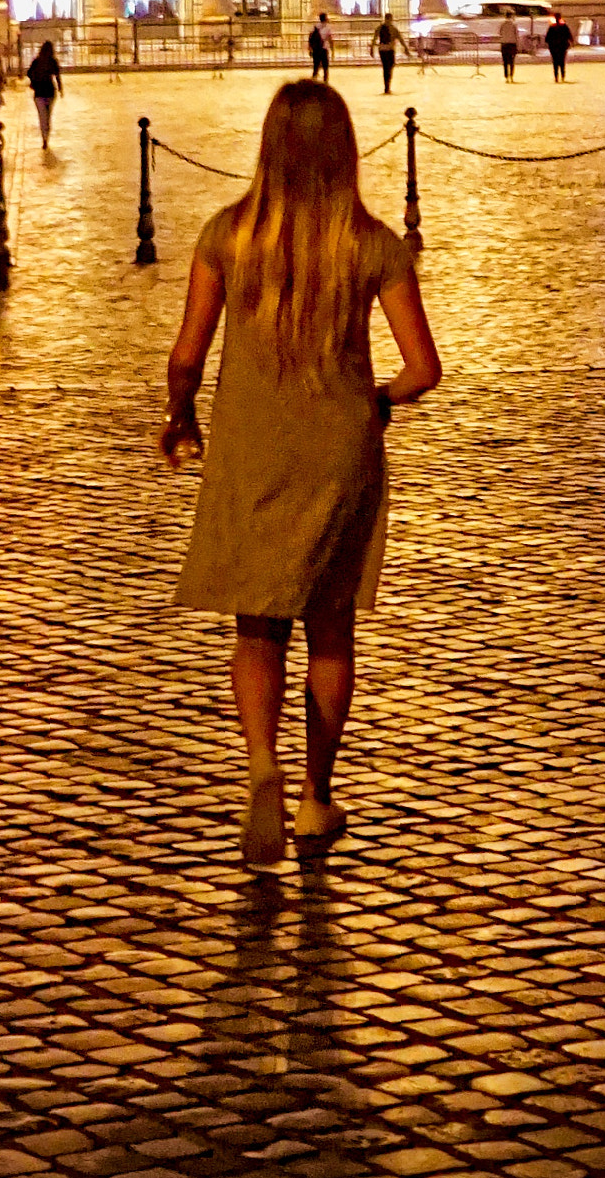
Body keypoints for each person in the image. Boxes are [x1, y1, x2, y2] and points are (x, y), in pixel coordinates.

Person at [160, 80, 441, 867]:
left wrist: (180, 413)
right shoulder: (374, 244)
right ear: (345, 151)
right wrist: (376, 401)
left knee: (256, 623)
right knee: (330, 624)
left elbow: (187, 353)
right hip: (340, 449)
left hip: (253, 445)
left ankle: (260, 767)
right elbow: (423, 368)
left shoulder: (227, 237)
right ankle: (317, 796)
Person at [26, 40, 63, 148]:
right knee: (48, 116)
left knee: (42, 117)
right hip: (50, 91)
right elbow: (57, 76)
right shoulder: (53, 61)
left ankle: (44, 138)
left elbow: (28, 73)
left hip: (39, 92)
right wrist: (61, 88)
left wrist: (34, 81)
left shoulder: (36, 61)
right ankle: (47, 135)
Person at [373, 14, 403, 94]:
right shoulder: (393, 28)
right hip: (389, 50)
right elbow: (400, 39)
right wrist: (406, 49)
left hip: (383, 50)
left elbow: (374, 39)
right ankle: (387, 86)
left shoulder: (380, 28)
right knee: (388, 68)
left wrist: (372, 49)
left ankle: (387, 86)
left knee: (386, 68)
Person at [546, 11, 573, 82]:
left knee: (555, 62)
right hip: (562, 46)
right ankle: (562, 76)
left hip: (554, 47)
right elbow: (569, 36)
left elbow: (547, 38)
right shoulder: (564, 27)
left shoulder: (552, 27)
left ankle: (556, 77)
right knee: (562, 61)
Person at [308, 14, 332, 82]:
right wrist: (332, 50)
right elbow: (330, 39)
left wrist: (310, 48)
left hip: (316, 49)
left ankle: (313, 81)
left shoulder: (315, 27)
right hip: (324, 48)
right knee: (325, 67)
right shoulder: (328, 28)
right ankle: (325, 82)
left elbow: (310, 37)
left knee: (316, 66)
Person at [498, 10, 520, 83]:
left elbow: (499, 33)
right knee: (511, 61)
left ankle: (506, 77)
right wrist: (518, 45)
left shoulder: (502, 24)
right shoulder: (514, 24)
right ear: (511, 15)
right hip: (512, 44)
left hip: (504, 44)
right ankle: (511, 76)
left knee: (505, 62)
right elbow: (516, 35)